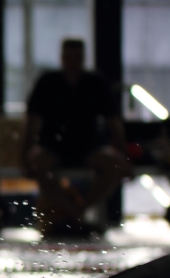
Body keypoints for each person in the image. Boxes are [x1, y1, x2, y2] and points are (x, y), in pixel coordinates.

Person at [23, 38, 132, 235]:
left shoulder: (95, 82)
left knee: (115, 165)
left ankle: (76, 213)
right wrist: (25, 154)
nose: (72, 62)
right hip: (54, 144)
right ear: (62, 58)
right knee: (38, 164)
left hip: (88, 145)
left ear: (83, 59)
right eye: (68, 57)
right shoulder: (48, 82)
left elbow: (113, 120)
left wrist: (123, 153)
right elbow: (32, 121)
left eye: (76, 58)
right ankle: (75, 215)